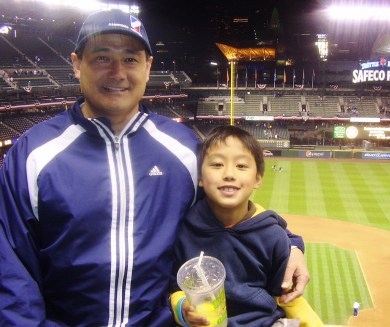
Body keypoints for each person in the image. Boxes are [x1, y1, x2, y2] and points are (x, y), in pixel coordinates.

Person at [0, 10, 309, 326]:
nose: (118, 72)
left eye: (131, 59)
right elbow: (10, 268)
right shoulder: (33, 153)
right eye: (102, 57)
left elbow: (230, 214)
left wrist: (290, 245)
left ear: (148, 67)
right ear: (77, 63)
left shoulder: (185, 148)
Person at [170, 125, 323, 327]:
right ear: (200, 177)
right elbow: (174, 285)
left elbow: (286, 296)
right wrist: (181, 307)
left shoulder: (273, 235)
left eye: (241, 166)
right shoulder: (183, 229)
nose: (229, 174)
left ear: (257, 178)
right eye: (217, 164)